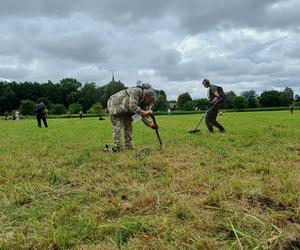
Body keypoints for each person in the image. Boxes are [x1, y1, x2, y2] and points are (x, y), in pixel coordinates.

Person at [107, 87, 157, 151]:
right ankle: (118, 146)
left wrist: (151, 125)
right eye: (150, 101)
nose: (150, 104)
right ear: (146, 96)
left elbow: (143, 116)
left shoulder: (146, 103)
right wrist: (145, 112)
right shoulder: (136, 91)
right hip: (115, 106)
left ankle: (128, 145)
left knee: (128, 126)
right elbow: (132, 106)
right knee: (117, 126)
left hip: (127, 111)